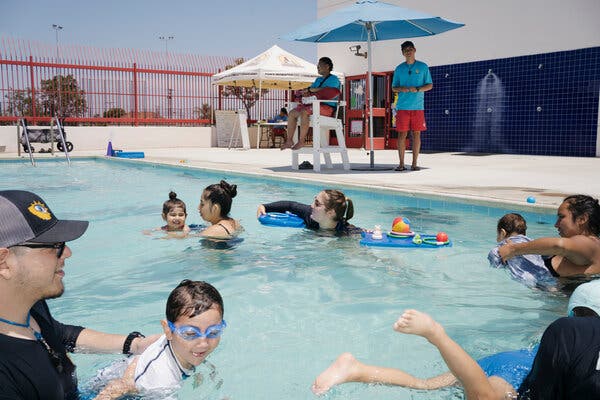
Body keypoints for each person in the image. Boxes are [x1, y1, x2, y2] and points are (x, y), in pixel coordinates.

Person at [312, 279, 600, 399]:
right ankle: (436, 334)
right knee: (485, 397)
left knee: (424, 385)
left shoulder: (567, 334)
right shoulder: (579, 344)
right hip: (518, 371)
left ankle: (354, 368)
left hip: (505, 359)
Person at [0, 190, 158, 400]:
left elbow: (60, 334)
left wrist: (134, 345)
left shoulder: (30, 306)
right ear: (4, 261)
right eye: (54, 246)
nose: (67, 253)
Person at [93, 280, 226, 399]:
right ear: (168, 330)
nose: (203, 343)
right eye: (190, 333)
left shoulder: (180, 346)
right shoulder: (162, 381)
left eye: (214, 332)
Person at [499, 194, 600, 277]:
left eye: (561, 217)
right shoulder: (574, 248)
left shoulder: (591, 244)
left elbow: (559, 245)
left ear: (582, 219)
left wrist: (513, 249)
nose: (556, 224)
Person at [281, 57, 341, 150]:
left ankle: (301, 141)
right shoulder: (318, 80)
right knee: (292, 113)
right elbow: (311, 90)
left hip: (327, 108)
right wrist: (306, 91)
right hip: (313, 106)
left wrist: (311, 90)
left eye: (319, 65)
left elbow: (327, 91)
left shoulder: (334, 79)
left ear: (327, 66)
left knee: (305, 112)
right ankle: (289, 140)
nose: (317, 67)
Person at [391, 40, 433, 172]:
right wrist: (400, 88)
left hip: (418, 107)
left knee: (416, 135)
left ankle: (414, 164)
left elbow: (430, 85)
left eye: (410, 49)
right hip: (402, 107)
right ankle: (401, 164)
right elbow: (393, 88)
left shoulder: (423, 67)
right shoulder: (399, 69)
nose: (408, 52)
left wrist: (418, 89)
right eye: (405, 50)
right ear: (402, 53)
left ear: (414, 50)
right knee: (401, 135)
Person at [488, 213, 555, 288]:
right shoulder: (533, 244)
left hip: (525, 280)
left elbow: (496, 268)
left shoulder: (498, 249)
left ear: (502, 233)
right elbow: (546, 255)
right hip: (546, 276)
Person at [256, 189, 360, 235]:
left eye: (317, 203)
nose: (311, 206)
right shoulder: (309, 215)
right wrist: (264, 206)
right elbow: (290, 205)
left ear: (330, 212)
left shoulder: (346, 231)